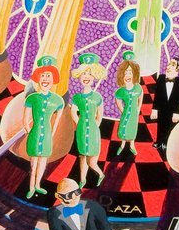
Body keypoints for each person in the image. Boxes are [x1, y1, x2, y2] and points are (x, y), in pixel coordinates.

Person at [23, 55, 65, 199]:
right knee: (34, 163)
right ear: (38, 78)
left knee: (43, 162)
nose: (45, 79)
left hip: (47, 135)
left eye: (48, 76)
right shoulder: (32, 98)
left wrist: (51, 134)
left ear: (53, 79)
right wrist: (30, 132)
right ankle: (31, 187)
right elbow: (25, 119)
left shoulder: (58, 100)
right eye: (42, 76)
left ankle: (38, 185)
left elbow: (57, 120)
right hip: (34, 134)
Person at [69, 52, 107, 186]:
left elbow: (100, 114)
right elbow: (73, 111)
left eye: (90, 74)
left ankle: (101, 174)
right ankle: (82, 180)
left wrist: (95, 125)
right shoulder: (77, 97)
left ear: (94, 77)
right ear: (79, 76)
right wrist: (79, 123)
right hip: (81, 129)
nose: (86, 77)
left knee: (91, 160)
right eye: (84, 73)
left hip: (93, 130)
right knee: (82, 156)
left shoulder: (97, 97)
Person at [46, 179, 111, 230]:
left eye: (77, 192)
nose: (74, 197)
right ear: (58, 196)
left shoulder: (94, 206)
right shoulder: (54, 213)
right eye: (69, 195)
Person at [150, 57, 179, 154]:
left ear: (178, 68)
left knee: (170, 126)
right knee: (160, 124)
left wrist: (176, 113)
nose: (168, 66)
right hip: (162, 107)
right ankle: (159, 141)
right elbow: (157, 95)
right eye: (169, 64)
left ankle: (166, 143)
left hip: (172, 109)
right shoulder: (161, 78)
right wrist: (154, 109)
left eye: (172, 65)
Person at [114, 52, 142, 158]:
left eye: (130, 72)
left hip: (134, 113)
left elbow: (140, 97)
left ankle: (132, 145)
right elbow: (118, 100)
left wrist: (138, 108)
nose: (128, 75)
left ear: (134, 74)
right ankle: (122, 145)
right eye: (125, 73)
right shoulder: (120, 91)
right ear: (122, 75)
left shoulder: (138, 87)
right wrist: (122, 110)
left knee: (133, 128)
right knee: (123, 127)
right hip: (126, 113)